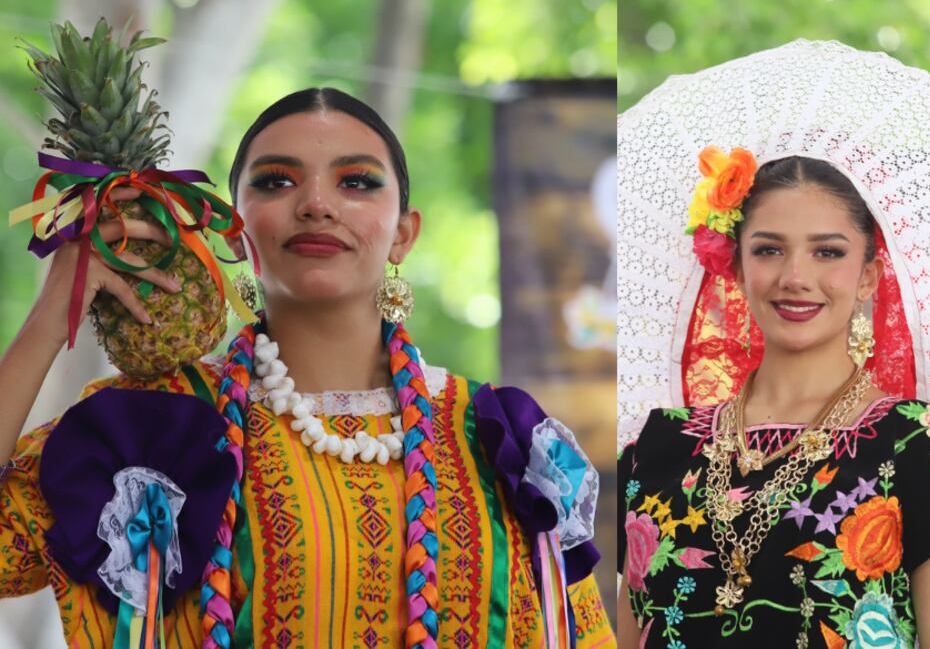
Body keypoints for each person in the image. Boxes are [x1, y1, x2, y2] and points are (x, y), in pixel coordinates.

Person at [0, 87, 612, 648]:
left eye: (357, 182)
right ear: (234, 233)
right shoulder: (148, 428)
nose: (317, 204)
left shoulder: (500, 438)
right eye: (275, 181)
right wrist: (48, 323)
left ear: (403, 234)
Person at [614, 40, 930, 649]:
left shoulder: (919, 449)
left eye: (828, 252)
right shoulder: (658, 450)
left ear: (866, 276)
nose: (795, 276)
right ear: (736, 264)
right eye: (769, 249)